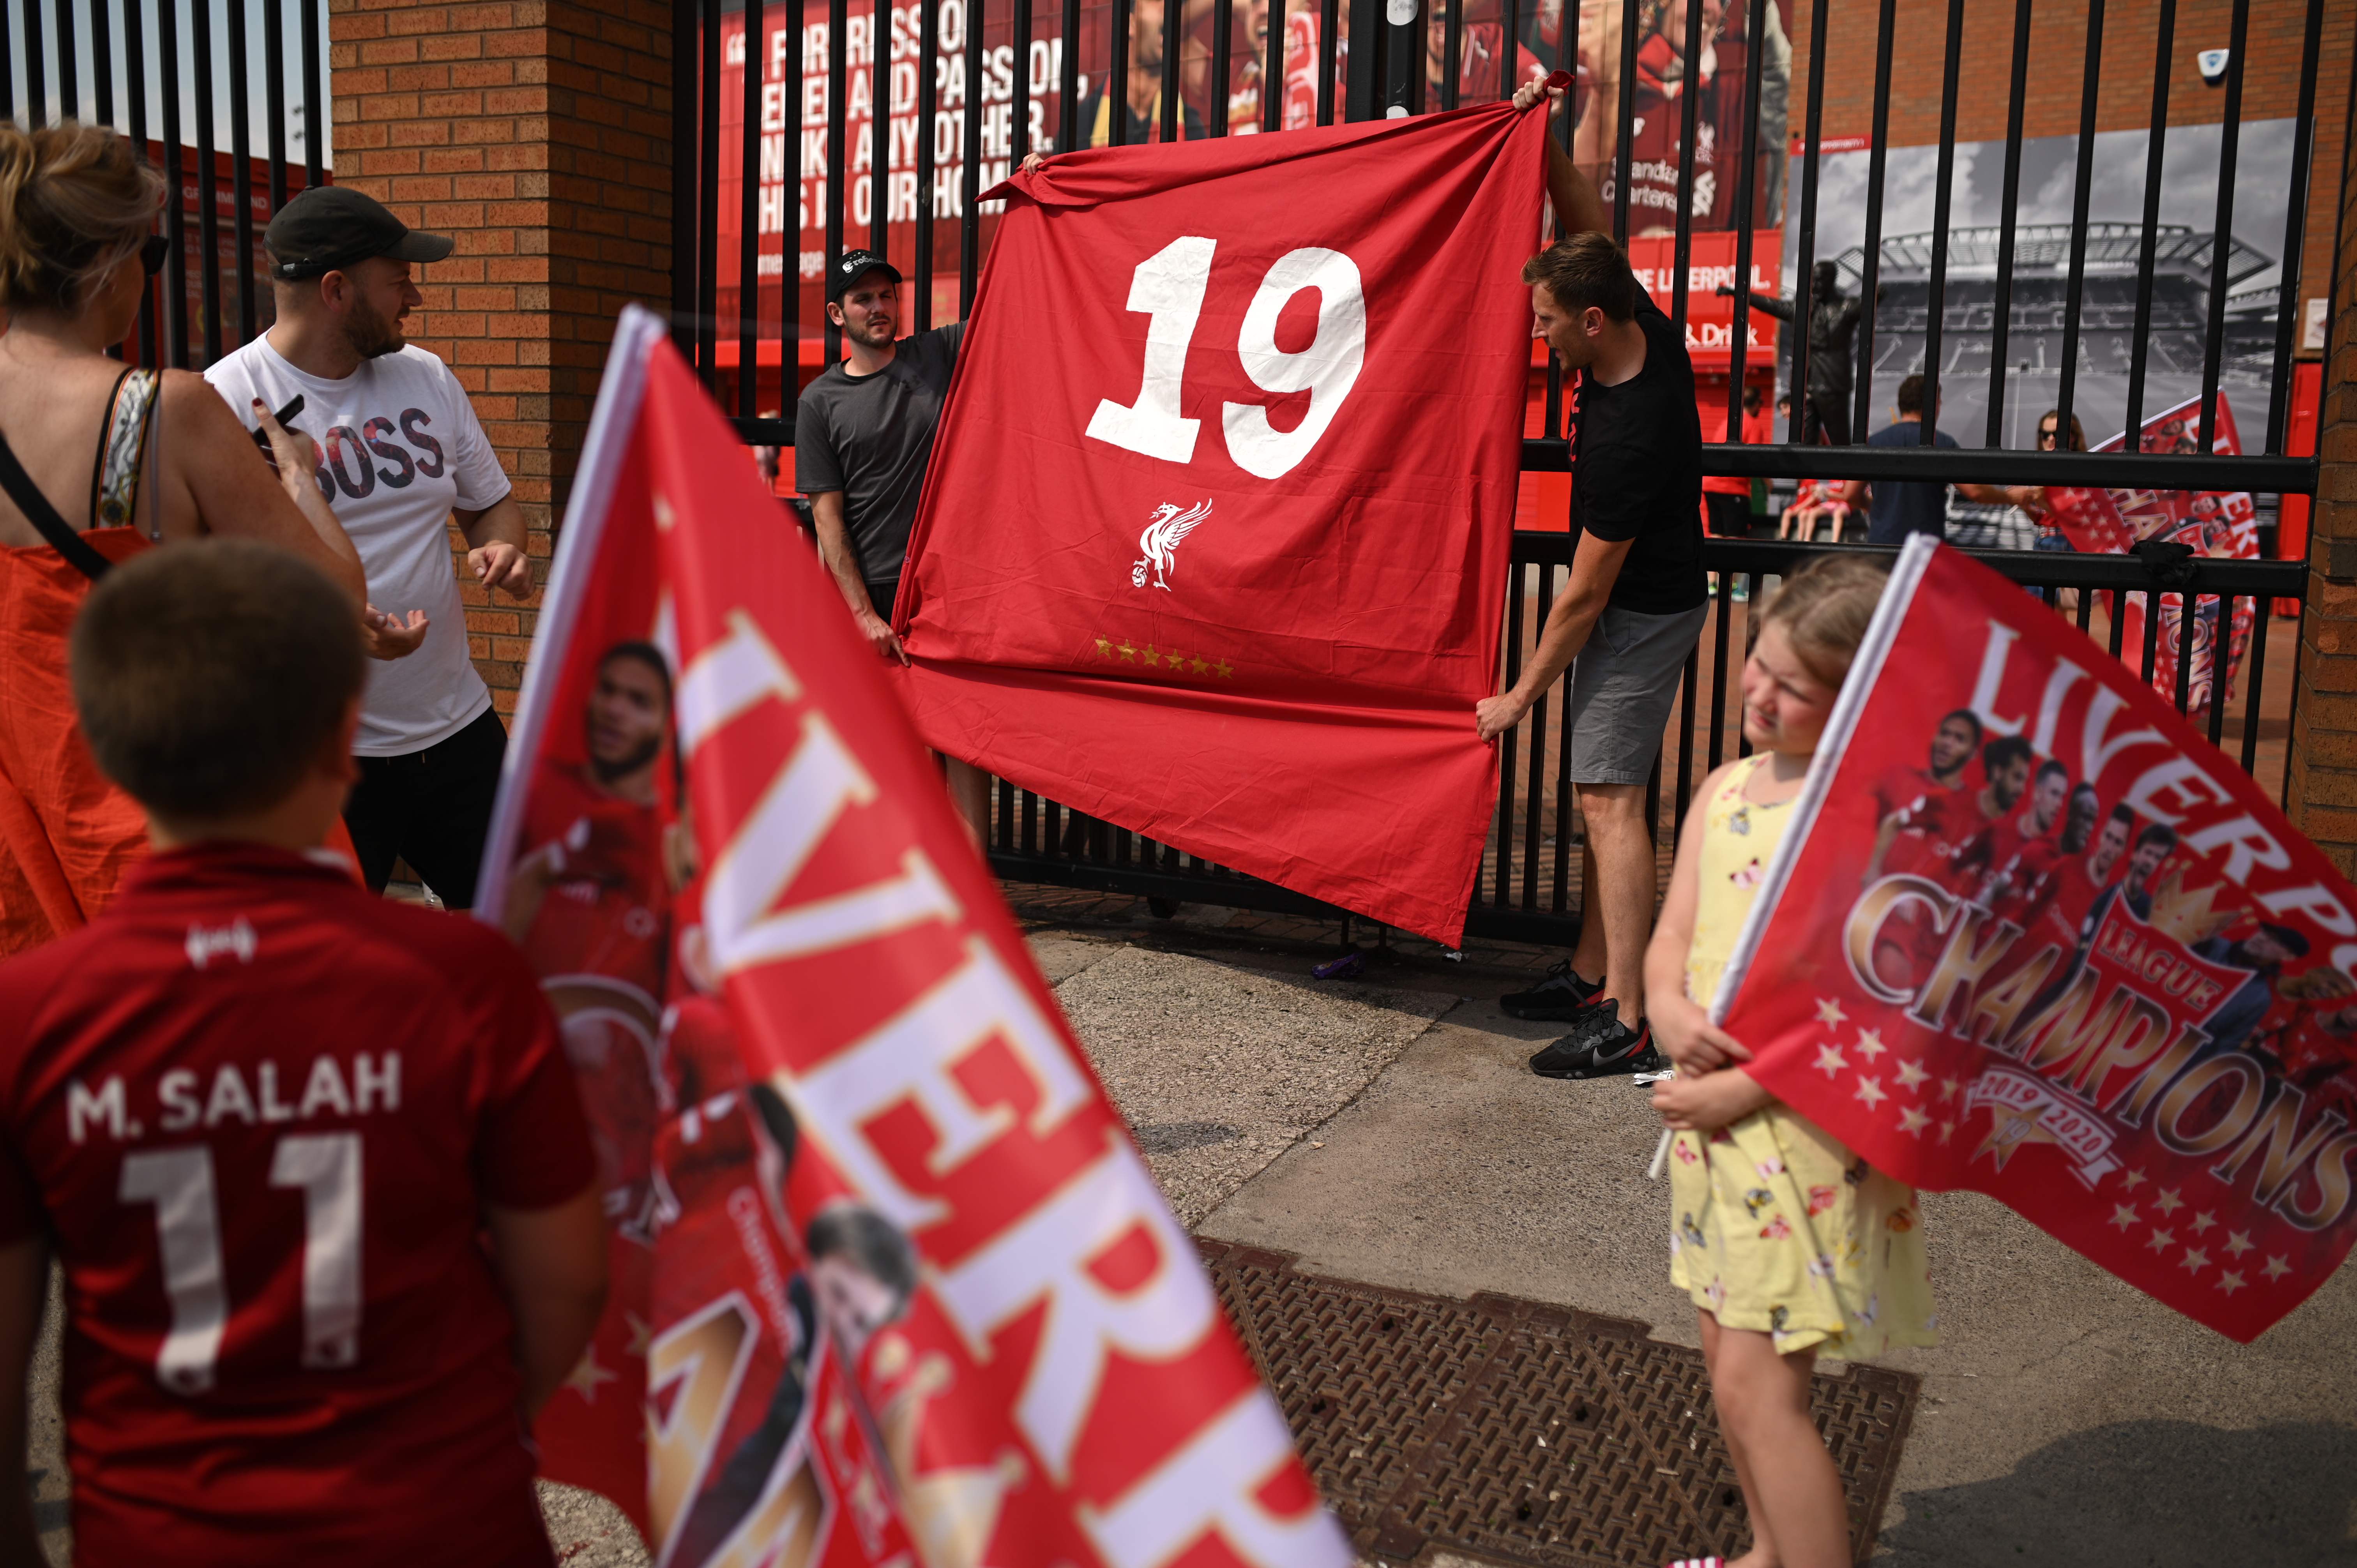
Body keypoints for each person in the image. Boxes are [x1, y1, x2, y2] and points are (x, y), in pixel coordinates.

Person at [0, 541, 606, 1565]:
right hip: (442, 1519)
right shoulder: (463, 977)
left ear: (104, 753)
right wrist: (472, 1434)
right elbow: (568, 1279)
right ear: (344, 745)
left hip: (161, 1536)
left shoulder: (31, 1013)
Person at [0, 122, 398, 957]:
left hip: (25, 824)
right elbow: (335, 597)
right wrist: (297, 481)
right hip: (159, 818)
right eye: (148, 258)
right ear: (106, 262)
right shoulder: (162, 410)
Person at [1645, 553, 1934, 1568]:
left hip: (1799, 1133)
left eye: (1794, 687)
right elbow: (1672, 931)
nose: (1760, 693)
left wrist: (1736, 1085)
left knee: (1758, 1390)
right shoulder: (1728, 786)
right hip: (1719, 1125)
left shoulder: (1867, 824)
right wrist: (1668, 1005)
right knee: (1726, 1360)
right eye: (1758, 666)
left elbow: (1868, 1012)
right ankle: (1769, 1551)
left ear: (1854, 697)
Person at [205, 184, 534, 909]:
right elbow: (200, 590)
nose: (413, 296)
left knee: (526, 938)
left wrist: (504, 549)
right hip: (324, 755)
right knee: (330, 973)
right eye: (398, 280)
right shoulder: (226, 401)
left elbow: (493, 507)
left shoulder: (426, 377)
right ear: (336, 289)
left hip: (459, 732)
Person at [1479, 78, 1707, 1079]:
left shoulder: (1628, 434)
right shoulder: (1640, 332)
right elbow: (1592, 233)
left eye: (1548, 321)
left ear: (1594, 324)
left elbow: (1581, 596)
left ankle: (1630, 1014)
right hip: (1638, 602)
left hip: (1643, 610)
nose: (1538, 334)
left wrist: (1519, 694)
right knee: (1597, 791)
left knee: (1610, 798)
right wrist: (1542, 135)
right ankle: (1588, 969)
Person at [796, 249, 993, 835]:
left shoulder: (935, 353)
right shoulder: (819, 402)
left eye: (887, 296)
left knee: (962, 742)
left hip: (945, 584)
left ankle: (971, 900)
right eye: (863, 299)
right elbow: (828, 522)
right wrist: (861, 614)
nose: (879, 308)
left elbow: (1009, 288)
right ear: (838, 314)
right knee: (888, 750)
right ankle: (905, 896)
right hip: (877, 596)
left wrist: (1029, 198)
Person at [1838, 375, 2039, 546]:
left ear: (1901, 404)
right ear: (1933, 404)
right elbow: (1975, 492)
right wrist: (2010, 497)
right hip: (1925, 547)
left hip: (1883, 543)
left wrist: (1874, 505)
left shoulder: (1875, 442)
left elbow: (1850, 495)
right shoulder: (1942, 442)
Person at [1719, 263, 1867, 447]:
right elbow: (1770, 305)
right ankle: (1805, 476)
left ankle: (1846, 475)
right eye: (1814, 280)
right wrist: (1737, 293)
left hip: (1831, 384)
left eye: (1820, 280)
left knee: (1840, 442)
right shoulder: (1802, 309)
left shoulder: (1845, 307)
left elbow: (1867, 303)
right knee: (1804, 445)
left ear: (1831, 281)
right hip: (1804, 387)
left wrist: (1877, 293)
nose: (1815, 285)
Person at [1077, 0, 1210, 145]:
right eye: (1157, 1)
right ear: (1130, 24)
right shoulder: (1083, 123)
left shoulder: (1192, 130)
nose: (1171, 8)